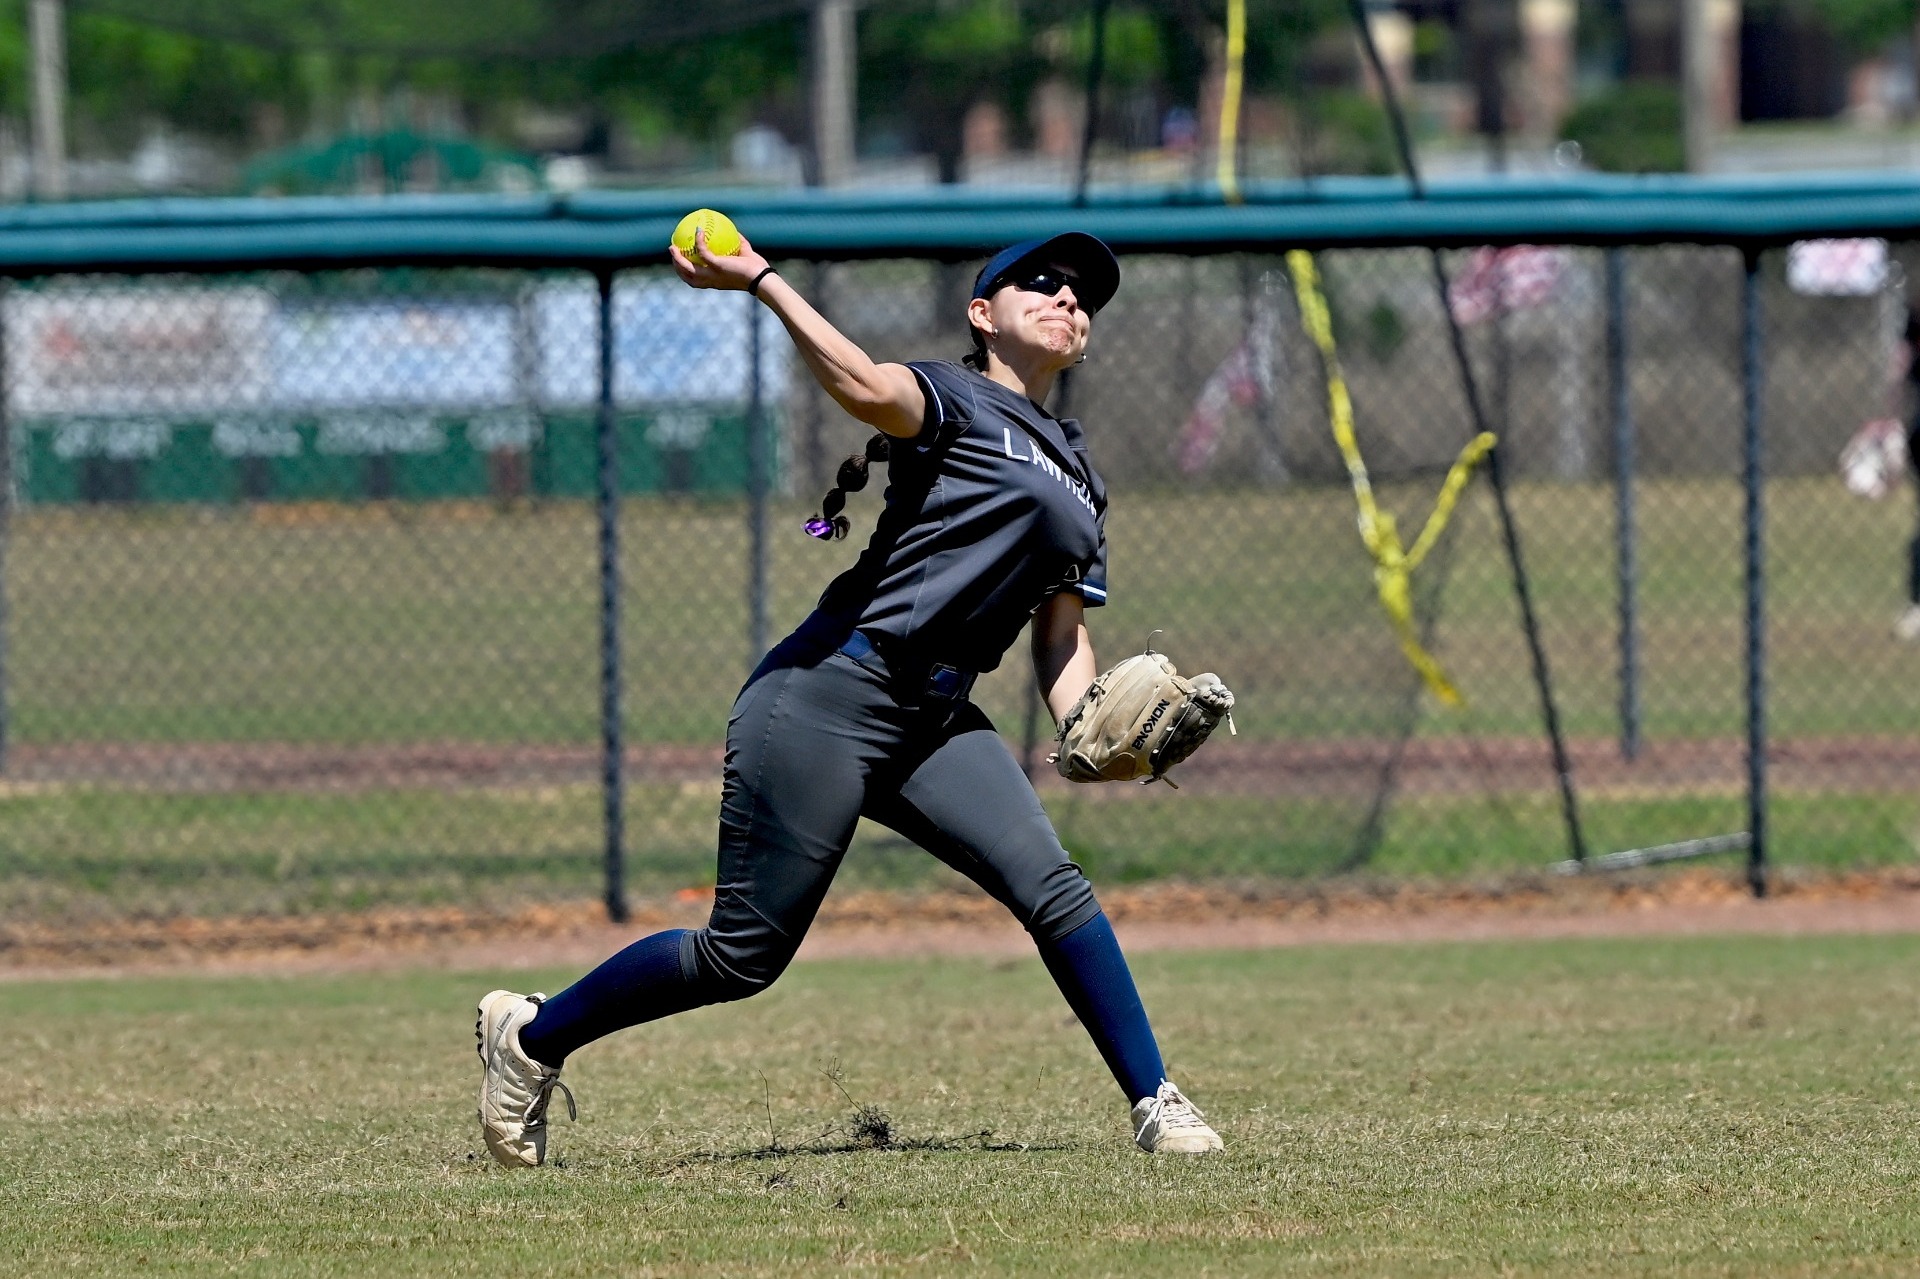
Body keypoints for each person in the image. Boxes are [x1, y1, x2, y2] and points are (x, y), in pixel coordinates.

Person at [475, 229, 1224, 1166]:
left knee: (1053, 886)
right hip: (830, 689)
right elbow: (865, 386)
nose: (1070, 298)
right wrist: (760, 279)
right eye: (1043, 281)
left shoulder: (1080, 480)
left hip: (936, 720)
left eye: (1085, 296)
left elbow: (1062, 635)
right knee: (741, 956)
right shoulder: (952, 399)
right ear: (982, 312)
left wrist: (1092, 723)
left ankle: (1156, 1099)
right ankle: (531, 1038)